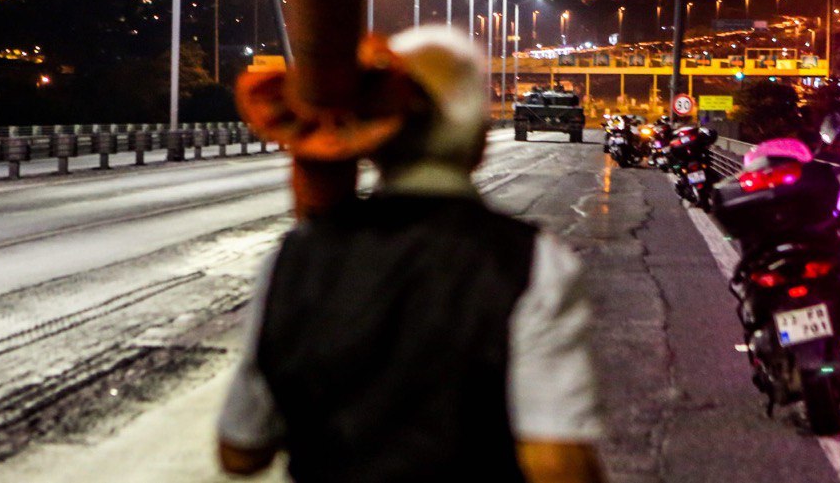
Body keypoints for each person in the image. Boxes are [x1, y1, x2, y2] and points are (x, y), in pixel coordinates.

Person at [217, 26, 604, 482]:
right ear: (479, 139)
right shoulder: (531, 261)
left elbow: (240, 452)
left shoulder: (296, 258)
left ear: (375, 140)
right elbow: (556, 464)